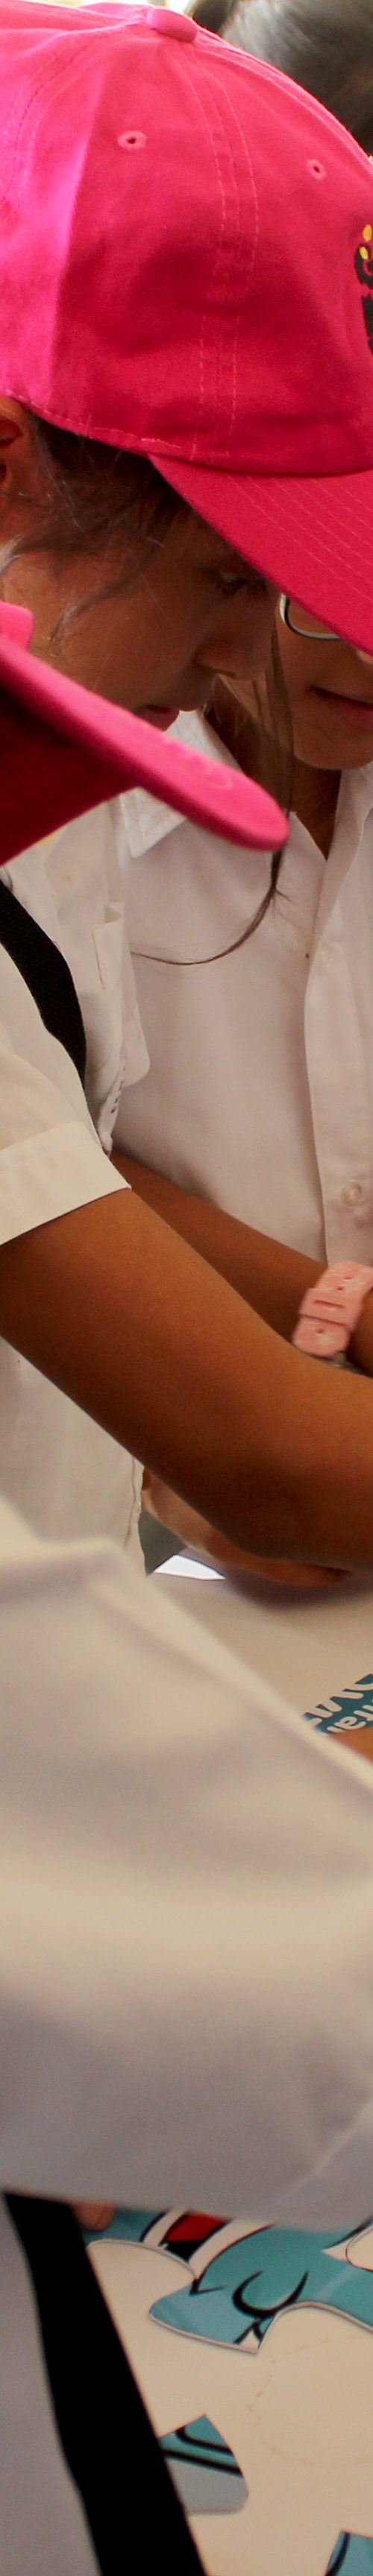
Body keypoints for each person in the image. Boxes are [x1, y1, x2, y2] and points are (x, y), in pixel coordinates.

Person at [4, 1, 373, 1583]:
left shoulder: (62, 754)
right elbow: (270, 1459)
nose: (243, 653)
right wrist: (224, 1447)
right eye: (227, 579)